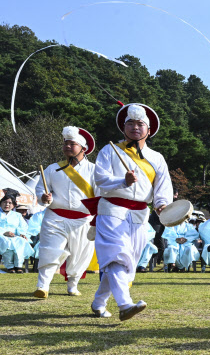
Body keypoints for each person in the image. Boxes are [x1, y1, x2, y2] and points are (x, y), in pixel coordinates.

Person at [90, 103, 173, 320]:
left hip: (140, 214)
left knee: (127, 263)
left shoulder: (157, 158)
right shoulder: (110, 150)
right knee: (117, 256)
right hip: (111, 209)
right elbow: (99, 179)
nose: (135, 127)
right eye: (130, 123)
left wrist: (162, 204)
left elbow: (162, 187)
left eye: (140, 124)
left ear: (148, 129)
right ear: (123, 127)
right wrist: (122, 180)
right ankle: (125, 305)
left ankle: (98, 303)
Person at [32, 126, 99, 297]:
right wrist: (44, 198)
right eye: (65, 143)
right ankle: (43, 286)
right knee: (50, 250)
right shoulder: (52, 168)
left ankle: (72, 285)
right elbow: (40, 190)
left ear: (83, 148)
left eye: (72, 144)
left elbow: (100, 194)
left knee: (79, 256)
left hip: (83, 220)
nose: (67, 146)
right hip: (55, 217)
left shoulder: (95, 170)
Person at [0, 195, 34, 273]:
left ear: (14, 205)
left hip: (14, 236)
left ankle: (18, 265)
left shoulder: (17, 215)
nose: (7, 205)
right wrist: (4, 233)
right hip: (1, 235)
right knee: (6, 241)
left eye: (10, 203)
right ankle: (10, 266)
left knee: (21, 241)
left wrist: (21, 234)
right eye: (5, 202)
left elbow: (23, 226)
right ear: (1, 203)